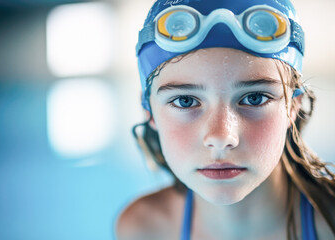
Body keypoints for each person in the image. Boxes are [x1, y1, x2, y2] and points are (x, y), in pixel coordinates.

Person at [117, 0, 335, 239]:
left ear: (293, 106)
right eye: (185, 101)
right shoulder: (145, 229)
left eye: (254, 98)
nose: (221, 137)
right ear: (150, 112)